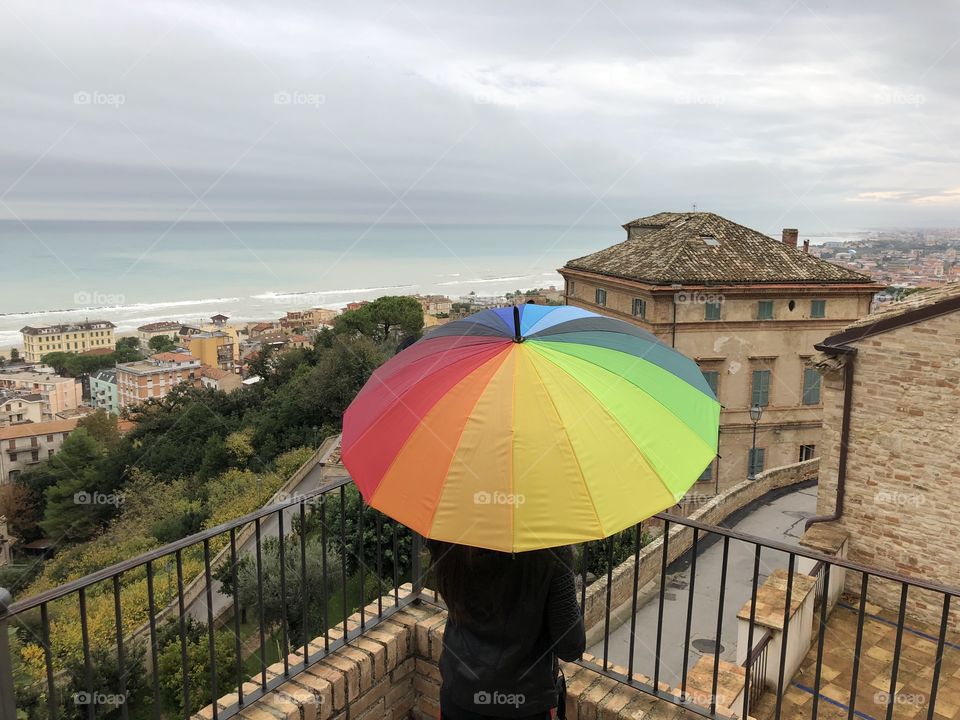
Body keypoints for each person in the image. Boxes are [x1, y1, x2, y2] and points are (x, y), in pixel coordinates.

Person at [427, 541, 586, 720]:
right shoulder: (550, 547)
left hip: (459, 694)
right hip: (523, 703)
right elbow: (571, 647)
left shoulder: (453, 534)